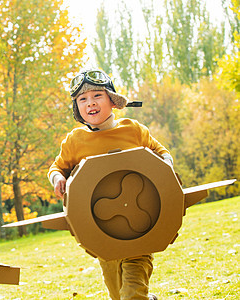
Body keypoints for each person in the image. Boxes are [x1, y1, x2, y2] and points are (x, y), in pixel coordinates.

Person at [48, 70, 172, 300]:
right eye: (83, 99)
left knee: (132, 294)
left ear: (112, 101)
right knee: (117, 295)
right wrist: (58, 179)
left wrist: (164, 171)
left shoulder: (133, 130)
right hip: (103, 236)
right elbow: (56, 169)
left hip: (140, 230)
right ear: (77, 108)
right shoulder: (75, 141)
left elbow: (162, 154)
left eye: (97, 96)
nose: (90, 103)